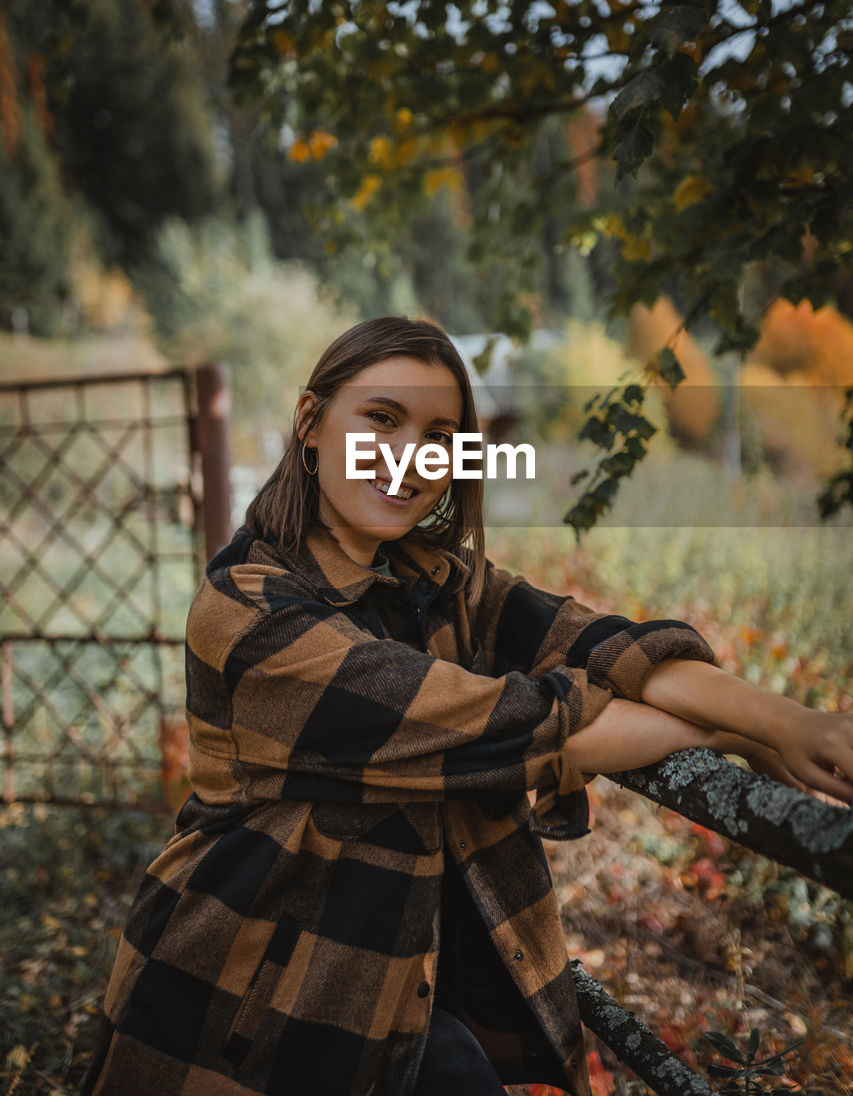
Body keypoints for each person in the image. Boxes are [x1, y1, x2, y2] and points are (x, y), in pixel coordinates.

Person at [81, 316, 853, 1096]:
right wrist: (731, 727)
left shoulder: (441, 580)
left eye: (438, 434)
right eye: (381, 419)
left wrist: (788, 723)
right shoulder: (251, 610)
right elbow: (524, 728)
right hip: (250, 1006)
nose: (410, 457)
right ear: (311, 424)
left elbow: (610, 646)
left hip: (404, 985)